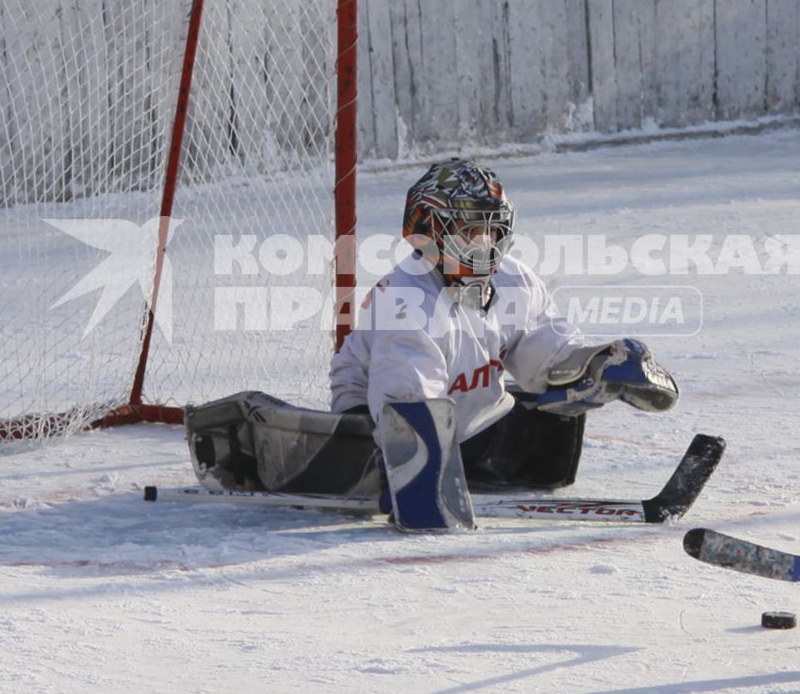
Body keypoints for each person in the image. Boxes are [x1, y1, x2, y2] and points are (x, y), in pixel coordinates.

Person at [187, 158, 678, 530]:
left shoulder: (514, 281)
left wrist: (593, 367)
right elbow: (405, 404)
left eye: (492, 231)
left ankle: (456, 462)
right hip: (373, 417)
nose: (484, 245)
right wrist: (424, 484)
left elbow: (540, 355)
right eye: (469, 231)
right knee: (387, 454)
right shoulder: (406, 299)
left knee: (545, 445)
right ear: (426, 233)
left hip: (467, 413)